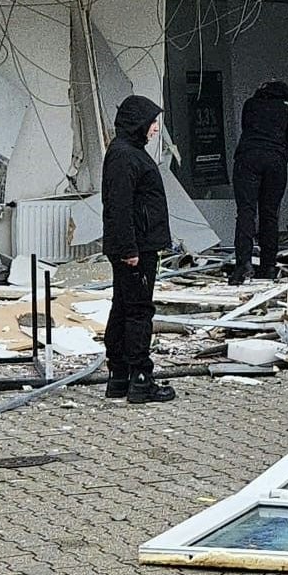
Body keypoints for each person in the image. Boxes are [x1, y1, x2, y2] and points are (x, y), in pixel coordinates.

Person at [101, 95, 175, 404]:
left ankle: (119, 376)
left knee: (124, 306)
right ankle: (140, 378)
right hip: (136, 248)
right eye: (152, 123)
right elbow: (120, 206)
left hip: (137, 244)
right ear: (138, 124)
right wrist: (130, 248)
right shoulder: (125, 156)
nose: (156, 129)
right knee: (138, 311)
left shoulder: (128, 153)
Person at [230, 79, 288, 286]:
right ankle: (268, 266)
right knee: (269, 215)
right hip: (275, 161)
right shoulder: (287, 109)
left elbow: (246, 126)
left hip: (248, 158)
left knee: (246, 212)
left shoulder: (250, 104)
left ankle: (243, 264)